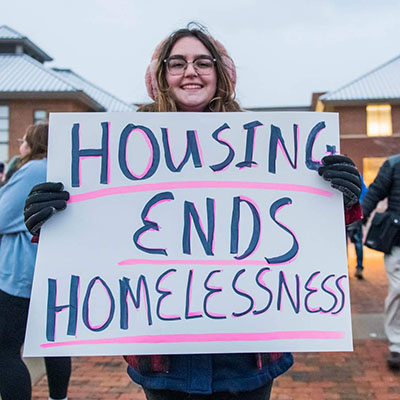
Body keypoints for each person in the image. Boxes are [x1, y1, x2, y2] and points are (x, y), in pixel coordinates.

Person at [23, 23, 362, 400]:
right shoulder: (123, 146)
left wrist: (341, 196)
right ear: (162, 77)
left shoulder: (265, 143)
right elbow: (99, 230)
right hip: (164, 357)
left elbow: (306, 228)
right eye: (177, 63)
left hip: (247, 354)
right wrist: (47, 219)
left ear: (220, 74)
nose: (191, 71)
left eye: (203, 62)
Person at [0, 122, 71, 400]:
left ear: (33, 144)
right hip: (52, 270)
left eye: (23, 140)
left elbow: (3, 216)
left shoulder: (33, 169)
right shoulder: (60, 169)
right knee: (52, 343)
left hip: (20, 273)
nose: (20, 145)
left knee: (5, 350)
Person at [361, 155, 400, 369]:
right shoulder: (393, 164)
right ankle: (397, 345)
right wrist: (358, 218)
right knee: (398, 290)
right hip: (397, 242)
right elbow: (374, 193)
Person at [347, 175, 368, 279]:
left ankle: (344, 267)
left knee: (341, 244)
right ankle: (359, 267)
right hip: (355, 214)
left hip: (342, 215)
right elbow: (365, 194)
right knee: (358, 243)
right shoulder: (357, 176)